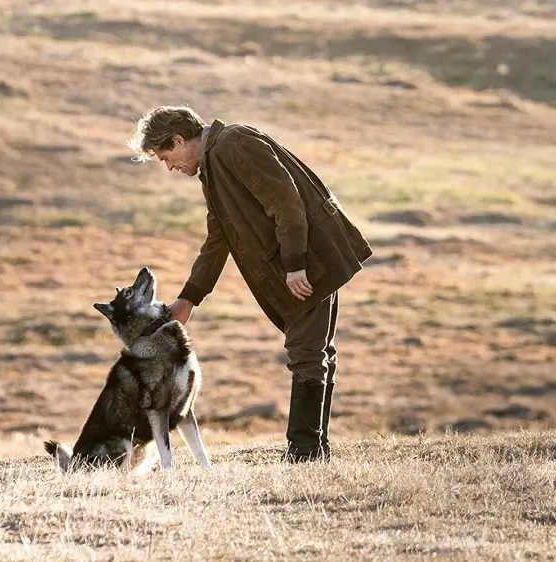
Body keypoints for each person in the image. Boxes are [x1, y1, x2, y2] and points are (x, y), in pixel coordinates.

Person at [126, 105, 373, 462]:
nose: (169, 167)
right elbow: (218, 240)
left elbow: (285, 202)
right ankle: (313, 450)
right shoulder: (214, 166)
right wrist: (189, 298)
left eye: (166, 157)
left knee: (306, 351)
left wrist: (295, 264)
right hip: (307, 262)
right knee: (314, 352)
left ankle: (304, 452)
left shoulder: (234, 144)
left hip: (310, 262)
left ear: (178, 140)